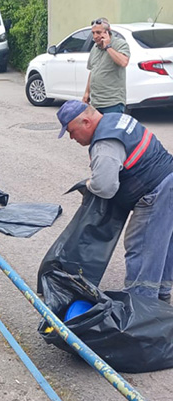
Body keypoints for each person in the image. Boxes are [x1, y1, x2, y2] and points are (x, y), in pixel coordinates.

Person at [58, 99, 173, 302]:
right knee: (162, 242)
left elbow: (105, 187)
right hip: (168, 177)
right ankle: (161, 294)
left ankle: (141, 306)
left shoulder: (105, 143)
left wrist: (89, 184)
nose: (71, 138)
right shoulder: (117, 118)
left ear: (86, 122)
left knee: (142, 246)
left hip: (156, 190)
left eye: (71, 131)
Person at [84, 18, 130, 116]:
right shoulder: (95, 47)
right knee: (97, 131)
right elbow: (93, 71)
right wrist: (87, 93)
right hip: (95, 103)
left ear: (107, 32)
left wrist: (108, 47)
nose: (95, 36)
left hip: (113, 103)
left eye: (98, 32)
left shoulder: (119, 44)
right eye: (93, 33)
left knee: (111, 131)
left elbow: (123, 62)